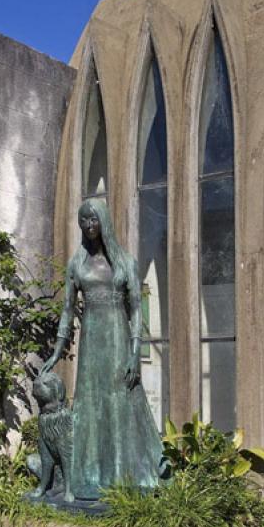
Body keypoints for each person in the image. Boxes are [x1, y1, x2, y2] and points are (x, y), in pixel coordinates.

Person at [42, 198, 163, 500]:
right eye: (83, 220)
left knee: (119, 402)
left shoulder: (125, 262)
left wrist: (136, 351)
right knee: (91, 404)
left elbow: (136, 310)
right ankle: (89, 474)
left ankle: (123, 474)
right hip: (91, 342)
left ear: (104, 221)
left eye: (93, 219)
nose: (88, 225)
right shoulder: (76, 264)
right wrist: (57, 351)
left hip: (119, 339)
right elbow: (68, 311)